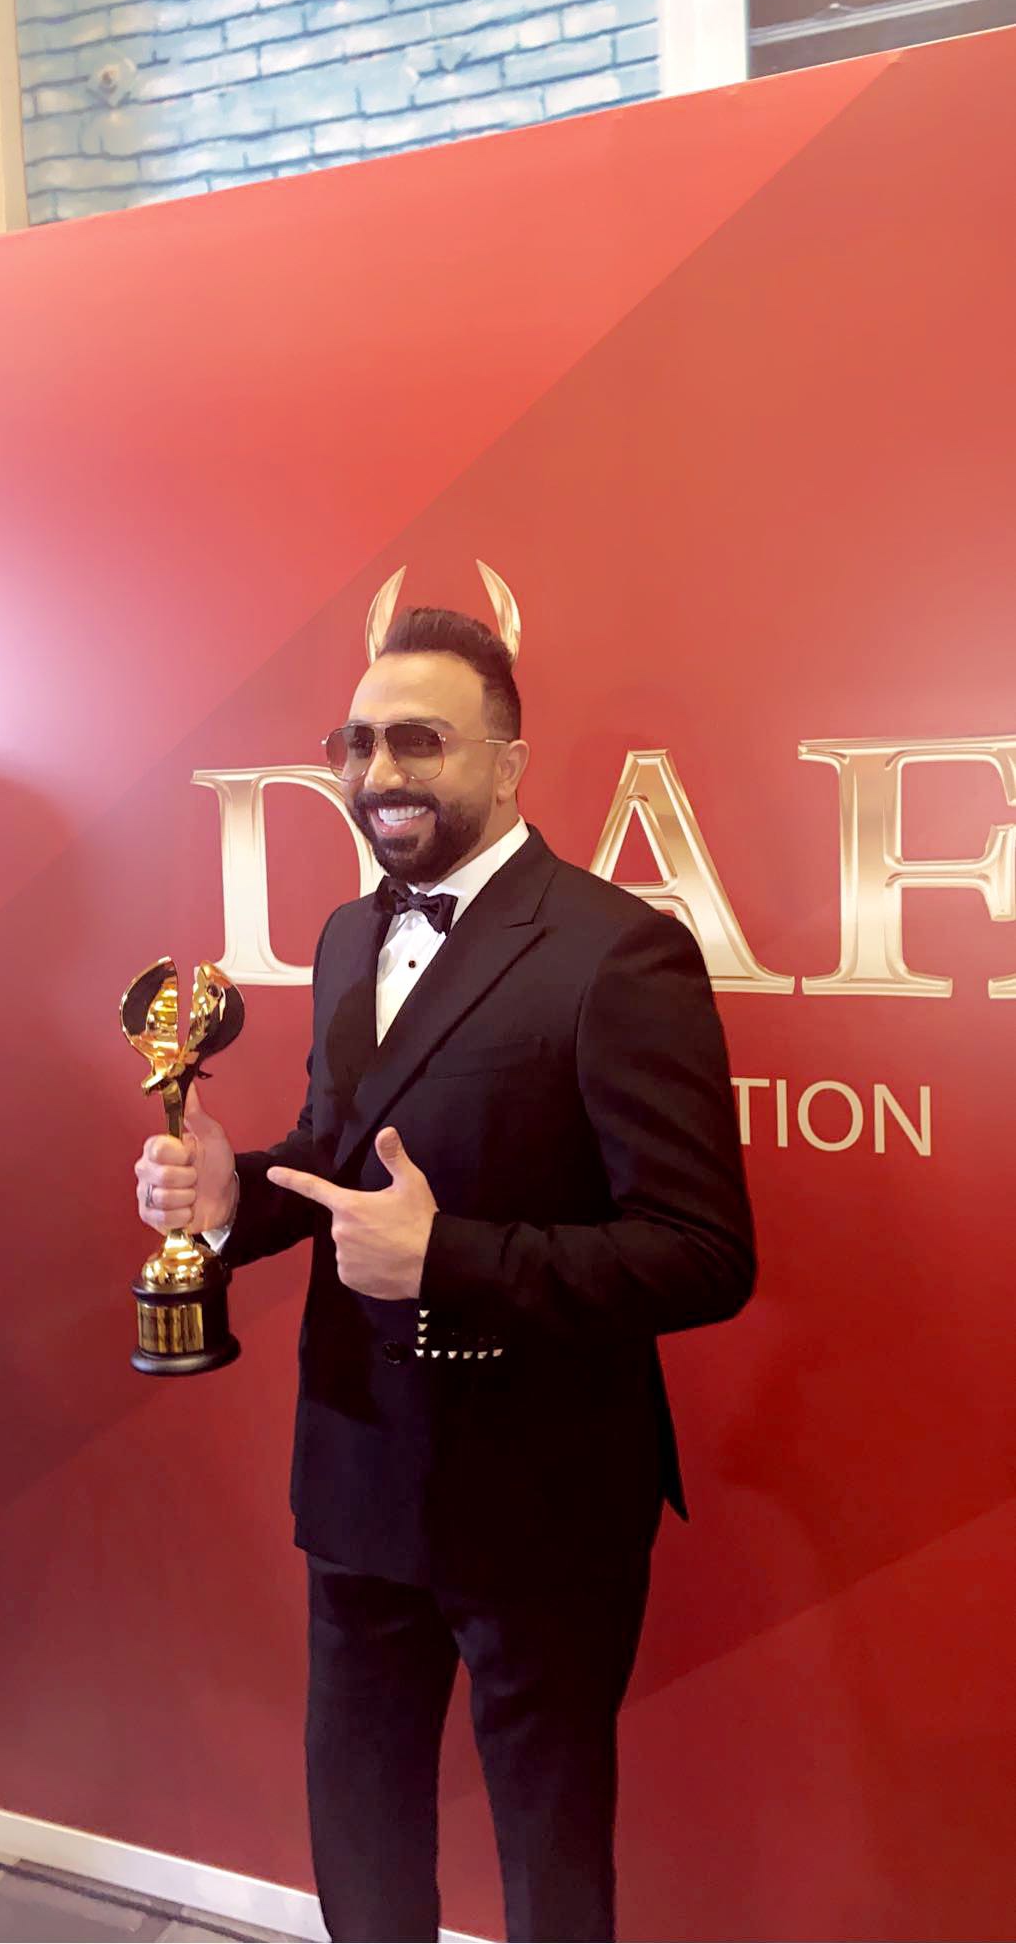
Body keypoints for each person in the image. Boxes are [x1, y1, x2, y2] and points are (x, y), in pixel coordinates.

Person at [135, 607, 755, 1944]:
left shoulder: (616, 949)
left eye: (418, 740)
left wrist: (446, 1259)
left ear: (509, 762)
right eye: (356, 743)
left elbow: (703, 1253)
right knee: (359, 1841)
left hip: (542, 1495)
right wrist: (233, 1198)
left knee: (549, 1860)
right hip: (356, 1468)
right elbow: (331, 1153)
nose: (380, 773)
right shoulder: (345, 937)